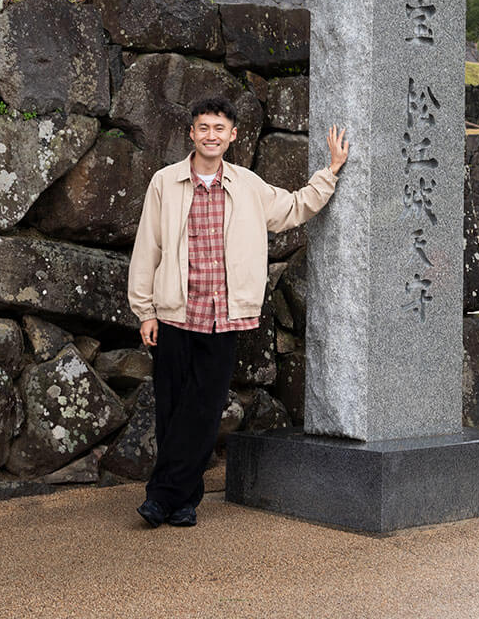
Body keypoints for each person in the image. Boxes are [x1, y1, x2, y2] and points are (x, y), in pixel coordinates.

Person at [127, 94, 350, 528]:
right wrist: (145, 311)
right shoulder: (165, 183)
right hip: (175, 312)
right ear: (191, 133)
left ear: (232, 136)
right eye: (203, 128)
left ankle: (161, 497)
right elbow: (147, 247)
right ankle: (186, 499)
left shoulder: (248, 185)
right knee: (172, 407)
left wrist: (331, 171)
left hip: (225, 315)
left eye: (219, 129)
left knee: (204, 409)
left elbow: (294, 208)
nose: (211, 136)